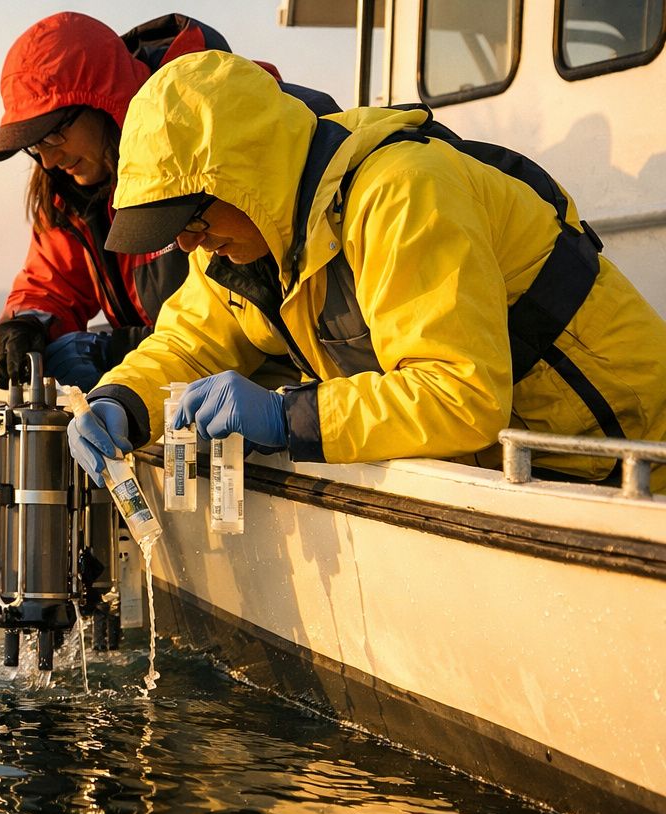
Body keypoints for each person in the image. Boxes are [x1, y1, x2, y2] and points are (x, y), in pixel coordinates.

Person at [68, 50, 666, 491]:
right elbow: (188, 344)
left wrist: (285, 416)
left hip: (625, 463)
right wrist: (122, 401)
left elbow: (462, 394)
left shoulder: (402, 191)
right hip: (524, 468)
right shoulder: (238, 242)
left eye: (192, 218)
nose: (187, 242)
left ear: (244, 178)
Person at [0, 12, 337, 392]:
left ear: (101, 104)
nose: (48, 160)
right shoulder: (68, 191)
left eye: (53, 136)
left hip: (263, 393)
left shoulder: (213, 149)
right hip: (168, 382)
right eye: (35, 146)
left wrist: (122, 351)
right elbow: (52, 281)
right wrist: (26, 325)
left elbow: (263, 310)